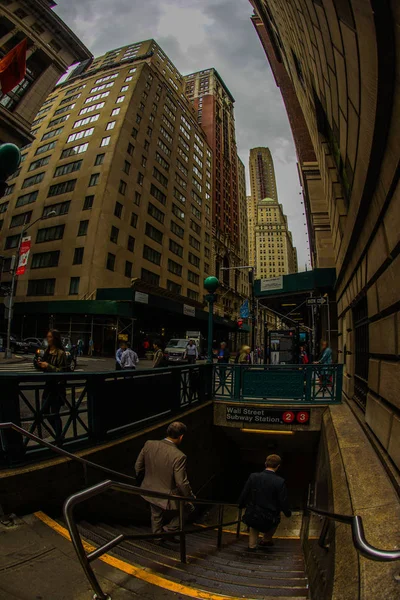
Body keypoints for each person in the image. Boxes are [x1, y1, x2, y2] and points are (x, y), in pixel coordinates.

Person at [135, 422, 195, 539]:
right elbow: (181, 482)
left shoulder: (149, 444)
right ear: (181, 436)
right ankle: (167, 531)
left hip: (149, 488)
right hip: (167, 494)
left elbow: (138, 467)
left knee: (156, 514)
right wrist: (190, 497)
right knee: (188, 508)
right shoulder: (179, 456)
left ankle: (157, 537)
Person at [239, 454, 291, 552]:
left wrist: (241, 505)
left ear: (265, 463)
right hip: (270, 516)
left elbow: (245, 493)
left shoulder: (253, 476)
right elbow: (283, 500)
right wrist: (287, 513)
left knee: (254, 524)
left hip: (253, 513)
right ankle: (266, 539)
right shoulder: (280, 481)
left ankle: (252, 546)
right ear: (278, 466)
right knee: (276, 519)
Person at [36, 329, 67, 444]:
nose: (47, 339)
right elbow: (43, 366)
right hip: (48, 386)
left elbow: (63, 371)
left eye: (49, 337)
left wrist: (47, 366)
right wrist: (39, 364)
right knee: (44, 413)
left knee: (54, 414)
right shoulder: (47, 351)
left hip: (57, 388)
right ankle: (59, 435)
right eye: (47, 337)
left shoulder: (60, 353)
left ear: (55, 339)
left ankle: (59, 438)